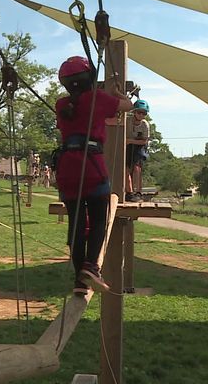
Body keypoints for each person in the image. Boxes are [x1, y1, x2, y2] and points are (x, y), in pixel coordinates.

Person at [55, 56, 133, 295]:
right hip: (91, 164)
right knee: (100, 217)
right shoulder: (98, 99)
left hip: (67, 166)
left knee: (76, 223)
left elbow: (83, 118)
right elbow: (128, 106)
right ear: (88, 78)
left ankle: (79, 282)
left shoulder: (61, 105)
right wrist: (118, 93)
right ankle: (91, 267)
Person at [125, 100, 150, 202]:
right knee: (126, 169)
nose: (141, 115)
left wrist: (130, 140)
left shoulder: (145, 125)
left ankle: (138, 192)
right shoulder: (127, 120)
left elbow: (144, 141)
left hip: (139, 147)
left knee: (137, 168)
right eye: (139, 112)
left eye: (143, 113)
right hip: (127, 146)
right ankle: (129, 192)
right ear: (134, 112)